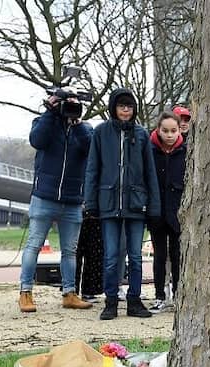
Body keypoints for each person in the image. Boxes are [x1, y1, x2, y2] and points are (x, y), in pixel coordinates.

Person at [85, 88, 161, 320]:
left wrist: (154, 206)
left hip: (136, 204)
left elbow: (150, 172)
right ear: (114, 108)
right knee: (111, 256)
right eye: (121, 106)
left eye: (129, 106)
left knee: (136, 256)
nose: (125, 110)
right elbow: (93, 169)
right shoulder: (100, 133)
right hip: (108, 203)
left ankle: (135, 300)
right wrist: (90, 202)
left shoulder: (141, 134)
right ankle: (110, 301)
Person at [18, 91, 95, 313]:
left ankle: (69, 293)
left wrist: (78, 122)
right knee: (34, 245)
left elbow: (90, 150)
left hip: (72, 199)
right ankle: (25, 292)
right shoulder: (44, 122)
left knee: (70, 251)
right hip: (44, 196)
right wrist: (51, 112)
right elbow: (37, 140)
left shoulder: (85, 129)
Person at [148, 110, 186, 313]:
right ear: (158, 130)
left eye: (173, 130)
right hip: (156, 210)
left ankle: (178, 294)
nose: (169, 135)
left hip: (178, 210)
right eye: (165, 131)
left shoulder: (186, 151)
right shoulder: (150, 150)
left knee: (178, 254)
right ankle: (160, 295)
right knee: (159, 254)